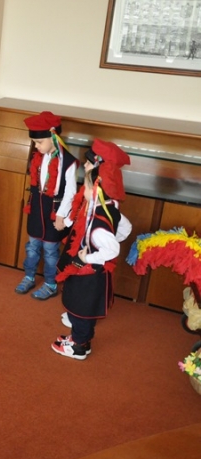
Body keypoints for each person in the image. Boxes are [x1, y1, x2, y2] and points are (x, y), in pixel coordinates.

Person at [51, 140, 132, 360]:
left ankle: (79, 346)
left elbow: (112, 249)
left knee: (82, 308)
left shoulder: (98, 223)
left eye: (86, 188)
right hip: (90, 266)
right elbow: (125, 228)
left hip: (89, 270)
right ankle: (80, 336)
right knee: (80, 306)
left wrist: (92, 254)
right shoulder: (109, 207)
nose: (83, 190)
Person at [14, 111, 78, 300]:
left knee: (50, 252)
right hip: (36, 210)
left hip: (53, 212)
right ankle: (29, 276)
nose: (36, 146)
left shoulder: (69, 162)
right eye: (35, 142)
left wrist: (61, 216)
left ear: (53, 137)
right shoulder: (38, 157)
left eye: (39, 142)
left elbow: (70, 193)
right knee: (32, 247)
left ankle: (51, 284)